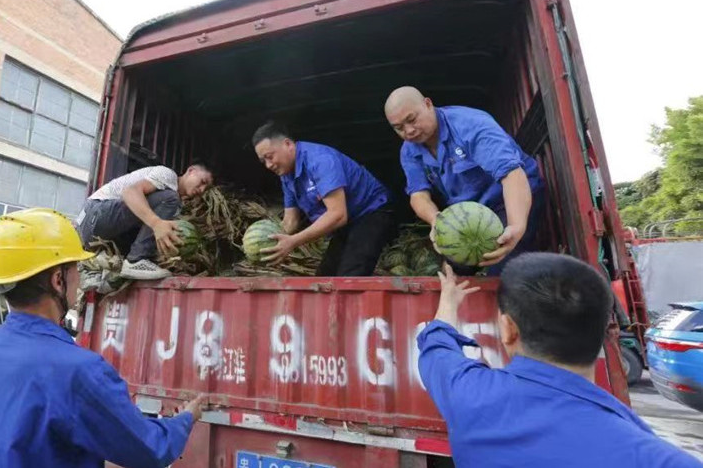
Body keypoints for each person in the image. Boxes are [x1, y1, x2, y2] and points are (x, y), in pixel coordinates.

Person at [0, 208, 205, 468]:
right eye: (76, 269)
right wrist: (185, 419)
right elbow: (150, 449)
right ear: (58, 280)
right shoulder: (77, 370)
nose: (79, 278)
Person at [419, 254, 702, 467]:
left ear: (508, 329)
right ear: (600, 331)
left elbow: (437, 347)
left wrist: (450, 299)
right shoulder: (659, 459)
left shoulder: (470, 395)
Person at [384, 86, 545, 274]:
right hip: (469, 212)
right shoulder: (409, 150)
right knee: (454, 269)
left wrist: (516, 226)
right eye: (399, 128)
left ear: (428, 104)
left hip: (508, 197)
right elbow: (418, 195)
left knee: (501, 265)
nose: (409, 131)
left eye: (412, 120)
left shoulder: (471, 124)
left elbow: (511, 174)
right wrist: (436, 220)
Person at [252, 122, 393, 276]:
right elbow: (290, 222)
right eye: (263, 161)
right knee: (324, 277)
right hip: (347, 222)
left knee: (350, 277)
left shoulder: (320, 161)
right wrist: (269, 244)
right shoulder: (286, 175)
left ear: (288, 144)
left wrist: (293, 241)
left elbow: (338, 215)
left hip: (371, 211)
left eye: (270, 157)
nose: (268, 165)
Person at [76, 162, 214, 280]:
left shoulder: (174, 206)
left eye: (206, 188)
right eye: (203, 182)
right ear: (191, 171)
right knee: (170, 198)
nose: (202, 189)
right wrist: (156, 223)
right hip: (96, 213)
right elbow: (130, 192)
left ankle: (108, 277)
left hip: (95, 233)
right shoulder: (167, 175)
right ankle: (136, 260)